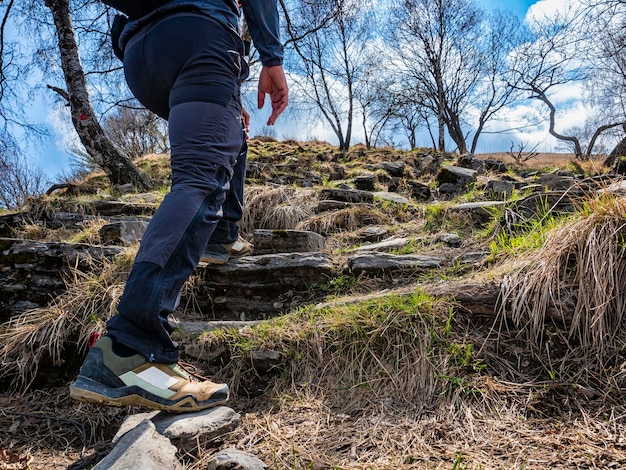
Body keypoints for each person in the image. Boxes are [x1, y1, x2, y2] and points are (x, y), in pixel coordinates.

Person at [69, 0, 288, 412]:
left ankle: (222, 236)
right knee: (200, 178)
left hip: (141, 55)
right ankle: (130, 345)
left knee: (228, 128)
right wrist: (271, 58)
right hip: (199, 36)